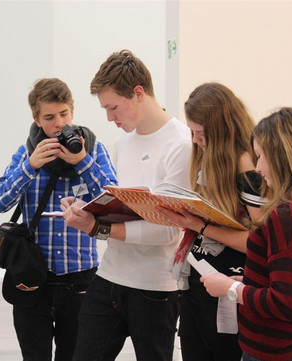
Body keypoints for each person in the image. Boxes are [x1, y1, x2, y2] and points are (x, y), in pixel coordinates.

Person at [61, 49, 192, 361]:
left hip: (155, 289)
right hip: (109, 279)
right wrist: (91, 209)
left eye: (113, 107)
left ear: (138, 93)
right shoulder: (122, 144)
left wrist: (97, 226)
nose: (109, 117)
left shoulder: (181, 144)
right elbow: (125, 209)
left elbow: (168, 232)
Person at [0, 77, 117, 361]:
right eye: (49, 117)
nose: (58, 123)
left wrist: (83, 162)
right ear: (37, 119)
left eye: (63, 114)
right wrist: (30, 166)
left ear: (72, 111)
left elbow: (113, 200)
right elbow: (0, 201)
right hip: (31, 278)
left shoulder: (93, 150)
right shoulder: (26, 153)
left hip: (81, 279)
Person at [201, 107, 292, 361]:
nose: (258, 168)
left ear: (281, 157)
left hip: (274, 352)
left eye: (260, 156)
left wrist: (231, 288)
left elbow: (285, 302)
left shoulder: (287, 216)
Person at [158, 82, 265, 361]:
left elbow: (261, 242)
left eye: (200, 133)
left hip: (230, 283)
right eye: (192, 131)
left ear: (222, 130)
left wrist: (201, 226)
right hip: (197, 280)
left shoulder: (246, 164)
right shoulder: (210, 157)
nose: (195, 140)